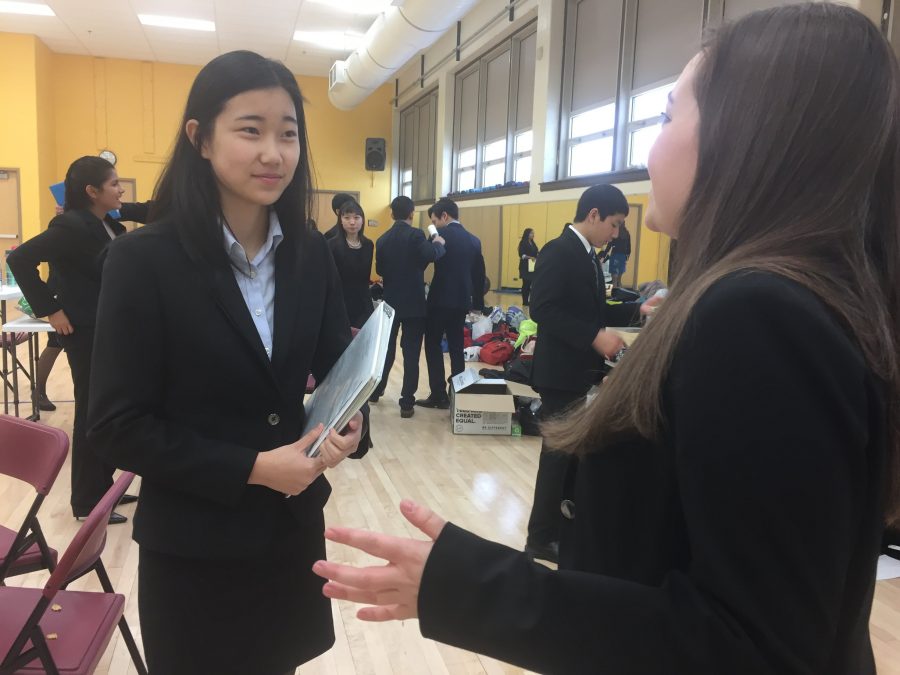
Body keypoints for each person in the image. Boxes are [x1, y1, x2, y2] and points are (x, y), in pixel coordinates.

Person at [311, 5, 900, 673]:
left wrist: (469, 585)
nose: (653, 147)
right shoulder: (786, 301)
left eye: (669, 115)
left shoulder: (760, 315)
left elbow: (749, 646)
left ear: (745, 136)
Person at [86, 50, 370, 675]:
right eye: (251, 129)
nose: (274, 151)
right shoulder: (144, 261)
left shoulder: (308, 256)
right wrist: (253, 468)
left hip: (287, 536)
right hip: (195, 545)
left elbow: (337, 368)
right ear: (200, 139)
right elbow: (114, 425)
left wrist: (348, 426)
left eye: (288, 133)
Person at [7, 156, 145, 524]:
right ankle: (86, 501)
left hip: (109, 328)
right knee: (90, 410)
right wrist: (51, 308)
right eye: (114, 183)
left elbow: (154, 212)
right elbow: (21, 259)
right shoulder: (70, 226)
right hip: (84, 330)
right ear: (92, 191)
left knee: (106, 407)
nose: (120, 189)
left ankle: (103, 489)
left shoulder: (106, 223)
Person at [524, 184, 636, 563]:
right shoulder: (559, 250)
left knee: (569, 454)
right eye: (614, 224)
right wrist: (594, 337)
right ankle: (540, 537)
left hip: (576, 370)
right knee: (556, 454)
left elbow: (594, 310)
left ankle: (559, 527)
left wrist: (639, 311)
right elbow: (542, 307)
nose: (616, 234)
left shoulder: (587, 254)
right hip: (559, 372)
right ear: (593, 215)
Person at [370, 195, 446, 417]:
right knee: (411, 353)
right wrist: (439, 244)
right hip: (414, 304)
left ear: (392, 214)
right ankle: (406, 403)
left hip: (391, 302)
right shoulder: (416, 235)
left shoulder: (382, 240)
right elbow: (430, 255)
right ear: (412, 213)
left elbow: (382, 271)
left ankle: (376, 391)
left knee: (387, 349)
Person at [417, 198, 486, 409]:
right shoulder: (474, 240)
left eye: (435, 219)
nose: (434, 224)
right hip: (462, 300)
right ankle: (457, 390)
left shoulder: (439, 236)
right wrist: (478, 304)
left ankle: (438, 394)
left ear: (444, 216)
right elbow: (479, 275)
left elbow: (424, 258)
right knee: (457, 345)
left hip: (439, 299)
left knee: (433, 344)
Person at [327, 199, 375, 328]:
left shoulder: (368, 244)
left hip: (363, 304)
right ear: (340, 220)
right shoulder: (332, 245)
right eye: (347, 217)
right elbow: (330, 280)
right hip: (340, 304)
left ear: (362, 220)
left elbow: (365, 279)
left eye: (356, 217)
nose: (352, 222)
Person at [602, 221, 631, 288]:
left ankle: (615, 296)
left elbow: (609, 245)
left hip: (615, 255)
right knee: (619, 280)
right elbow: (629, 246)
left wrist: (604, 256)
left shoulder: (615, 233)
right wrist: (627, 257)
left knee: (614, 280)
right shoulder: (627, 233)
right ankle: (621, 294)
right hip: (623, 256)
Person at [517, 228, 539, 306]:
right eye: (531, 233)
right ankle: (525, 301)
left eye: (533, 233)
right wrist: (530, 257)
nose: (533, 235)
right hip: (525, 266)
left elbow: (536, 252)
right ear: (527, 234)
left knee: (530, 283)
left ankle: (529, 300)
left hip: (532, 266)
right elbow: (521, 255)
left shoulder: (533, 243)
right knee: (526, 284)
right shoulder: (523, 242)